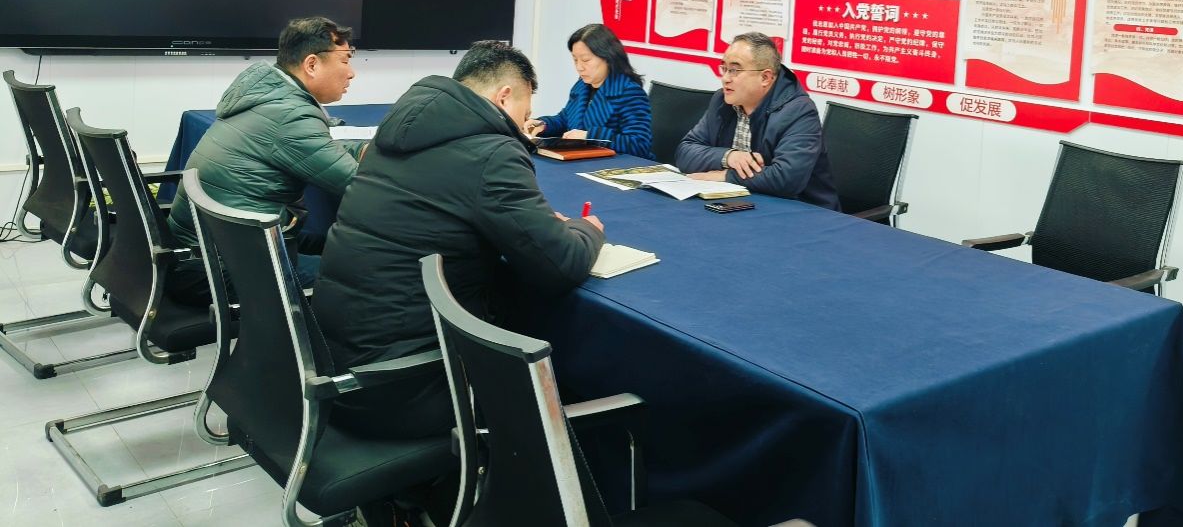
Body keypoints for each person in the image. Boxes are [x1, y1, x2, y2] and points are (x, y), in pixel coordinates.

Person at [312, 40, 604, 440]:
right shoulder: (493, 153)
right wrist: (587, 229)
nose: (524, 128)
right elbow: (562, 264)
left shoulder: (392, 134)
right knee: (565, 379)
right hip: (403, 389)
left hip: (336, 371)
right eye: (525, 115)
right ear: (504, 97)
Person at [165, 16, 361, 304]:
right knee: (363, 274)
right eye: (345, 60)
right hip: (221, 268)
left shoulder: (268, 95)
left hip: (204, 249)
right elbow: (360, 186)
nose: (352, 73)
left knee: (333, 244)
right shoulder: (290, 115)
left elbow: (314, 147)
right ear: (311, 64)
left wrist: (364, 150)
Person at [676, 32, 840, 210]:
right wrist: (729, 157)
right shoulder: (722, 101)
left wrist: (726, 176)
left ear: (765, 78)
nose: (725, 78)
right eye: (724, 68)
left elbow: (787, 179)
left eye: (735, 70)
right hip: (743, 203)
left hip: (804, 211)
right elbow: (685, 152)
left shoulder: (799, 111)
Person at [525, 22, 654, 158]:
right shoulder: (582, 86)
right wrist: (543, 124)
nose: (579, 67)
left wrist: (589, 136)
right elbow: (565, 119)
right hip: (583, 160)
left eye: (586, 60)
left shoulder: (629, 92)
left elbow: (639, 144)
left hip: (618, 166)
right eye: (575, 60)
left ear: (608, 57)